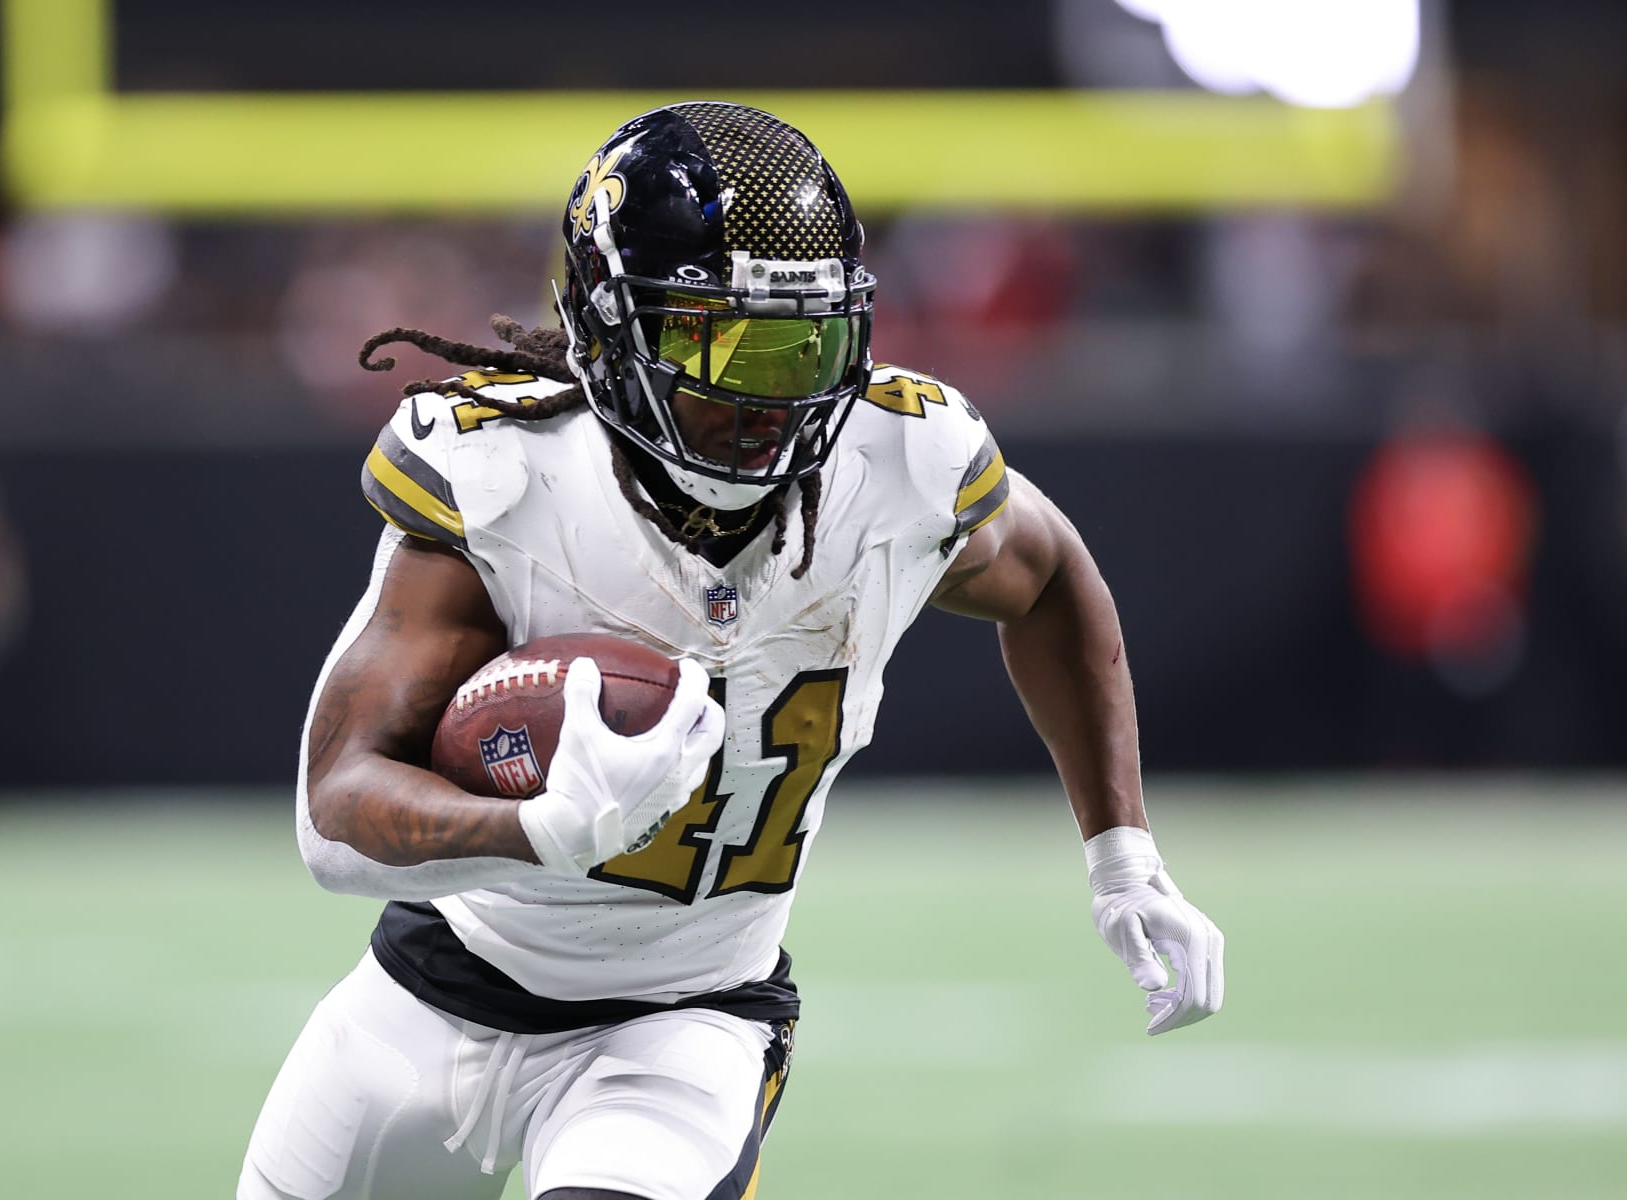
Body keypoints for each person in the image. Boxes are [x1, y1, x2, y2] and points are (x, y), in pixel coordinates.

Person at [238, 101, 1224, 1200]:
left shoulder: (894, 467)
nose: (772, 400)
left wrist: (1122, 856)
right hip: (433, 992)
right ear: (612, 335)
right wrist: (535, 832)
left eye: (805, 343)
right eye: (723, 343)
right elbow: (333, 808)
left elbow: (1051, 583)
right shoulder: (510, 480)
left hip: (685, 1024)